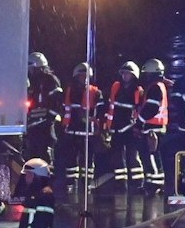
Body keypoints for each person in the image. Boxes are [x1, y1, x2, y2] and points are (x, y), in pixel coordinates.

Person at [57, 63, 102, 191]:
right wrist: (64, 126)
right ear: (76, 77)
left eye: (86, 76)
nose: (84, 78)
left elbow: (100, 110)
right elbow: (66, 109)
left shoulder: (96, 92)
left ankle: (86, 183)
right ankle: (71, 183)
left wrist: (91, 119)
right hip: (72, 131)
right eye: (81, 76)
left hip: (88, 132)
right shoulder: (70, 91)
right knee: (71, 159)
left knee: (87, 160)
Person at [104, 61, 143, 189]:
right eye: (124, 73)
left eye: (128, 74)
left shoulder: (138, 90)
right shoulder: (116, 86)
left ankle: (137, 184)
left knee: (132, 156)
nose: (125, 76)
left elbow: (139, 110)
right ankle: (121, 184)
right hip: (116, 127)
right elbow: (110, 107)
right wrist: (107, 126)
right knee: (118, 156)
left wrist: (137, 127)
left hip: (130, 128)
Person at [136, 58, 171, 191]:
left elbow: (151, 108)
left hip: (152, 128)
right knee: (150, 155)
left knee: (151, 155)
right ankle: (151, 183)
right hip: (155, 127)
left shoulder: (155, 87)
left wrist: (139, 122)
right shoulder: (158, 86)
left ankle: (155, 184)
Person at [25, 52, 62, 165]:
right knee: (32, 160)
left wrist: (49, 117)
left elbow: (57, 103)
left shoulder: (50, 81)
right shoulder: (32, 82)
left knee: (44, 159)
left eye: (32, 69)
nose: (30, 72)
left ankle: (46, 180)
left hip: (45, 128)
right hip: (32, 128)